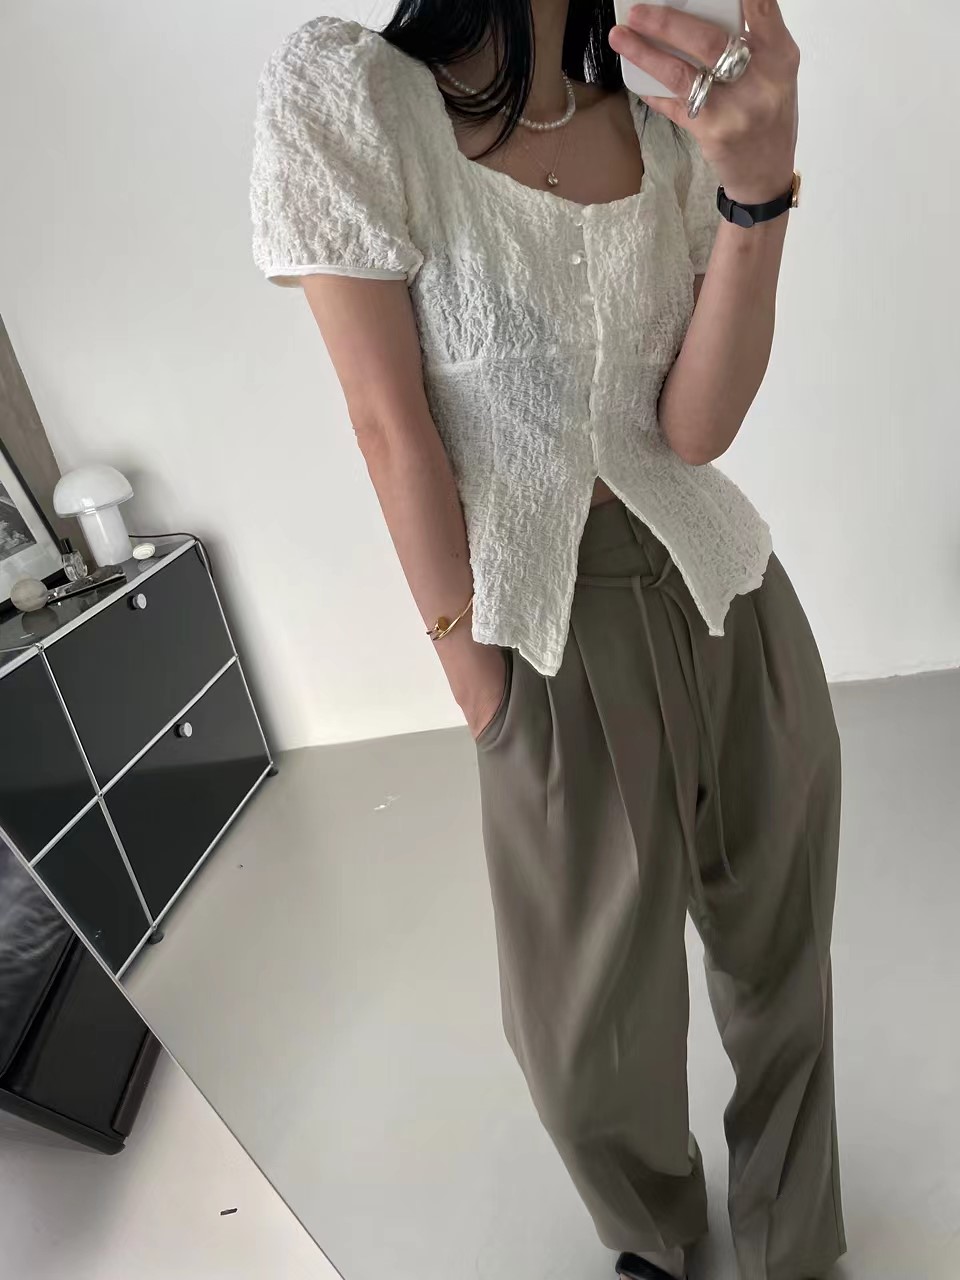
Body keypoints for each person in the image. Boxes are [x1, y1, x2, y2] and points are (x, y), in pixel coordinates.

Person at [250, 3, 844, 1277]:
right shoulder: (356, 97)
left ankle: (794, 1242)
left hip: (729, 585)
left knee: (781, 952)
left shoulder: (662, 112)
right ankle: (658, 1233)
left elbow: (693, 431)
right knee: (584, 1041)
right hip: (545, 626)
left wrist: (758, 191)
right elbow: (386, 420)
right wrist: (478, 682)